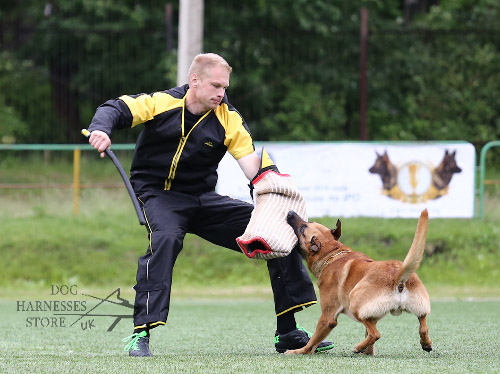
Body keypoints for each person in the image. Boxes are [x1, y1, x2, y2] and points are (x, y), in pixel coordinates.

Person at [87, 53, 333, 356]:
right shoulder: (162, 102)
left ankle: (288, 332)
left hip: (202, 200)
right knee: (165, 239)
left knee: (276, 231)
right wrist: (101, 129)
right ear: (194, 80)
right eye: (216, 85)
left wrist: (270, 187)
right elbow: (116, 108)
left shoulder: (228, 117)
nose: (222, 93)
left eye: (225, 87)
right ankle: (141, 335)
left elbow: (251, 166)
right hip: (158, 194)